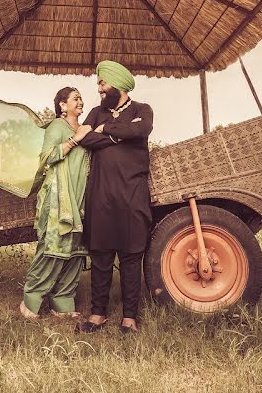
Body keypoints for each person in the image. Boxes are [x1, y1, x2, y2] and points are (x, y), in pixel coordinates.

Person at [77, 60, 153, 334]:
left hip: (133, 196)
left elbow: (141, 130)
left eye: (102, 82)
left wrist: (106, 130)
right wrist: (117, 135)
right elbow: (83, 138)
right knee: (101, 256)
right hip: (101, 197)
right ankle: (98, 313)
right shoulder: (97, 112)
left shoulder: (142, 110)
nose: (98, 88)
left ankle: (129, 317)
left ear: (117, 84)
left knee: (131, 257)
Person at [20, 87, 93, 320]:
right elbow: (45, 158)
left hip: (80, 194)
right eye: (75, 98)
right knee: (52, 248)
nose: (80, 101)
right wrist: (75, 140)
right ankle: (30, 300)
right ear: (62, 105)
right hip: (59, 197)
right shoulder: (56, 127)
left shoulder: (82, 127)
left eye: (81, 98)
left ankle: (62, 301)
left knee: (74, 249)